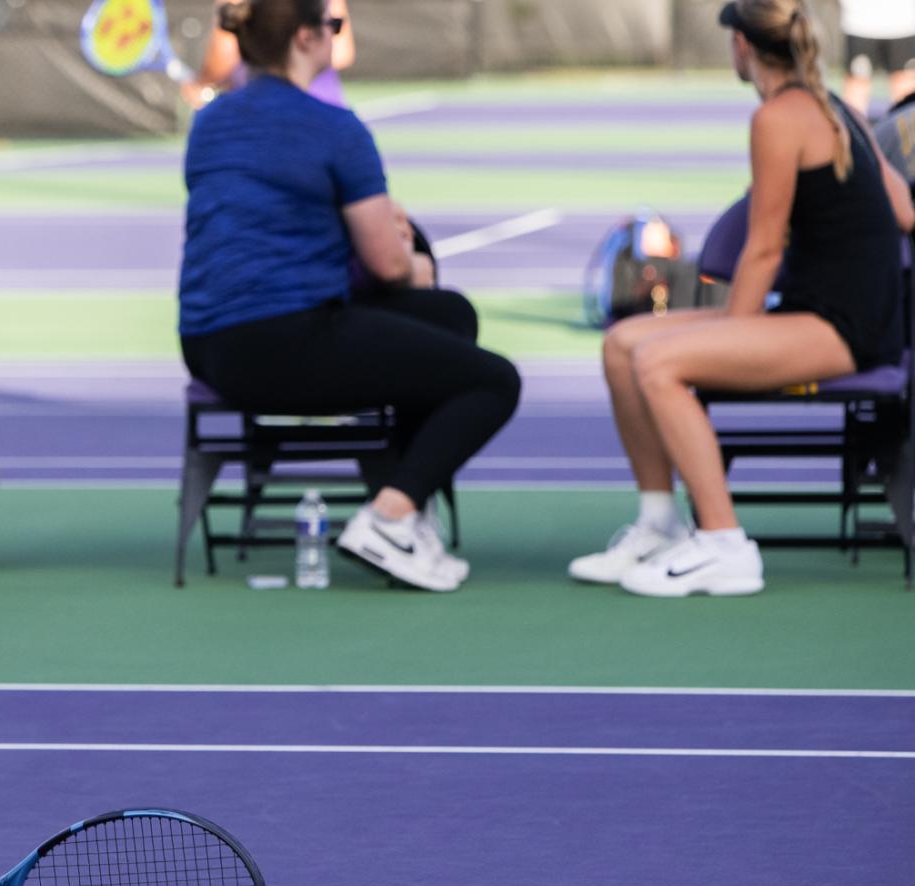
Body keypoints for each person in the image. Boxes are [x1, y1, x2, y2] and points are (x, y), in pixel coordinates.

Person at [177, 0, 520, 593]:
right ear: (306, 38)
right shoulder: (336, 128)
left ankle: (410, 515)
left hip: (208, 346)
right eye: (332, 25)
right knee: (495, 381)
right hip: (287, 343)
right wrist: (416, 265)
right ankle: (389, 518)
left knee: (449, 316)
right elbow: (388, 266)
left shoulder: (210, 124)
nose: (336, 34)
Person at [574, 0, 913, 597]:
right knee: (621, 343)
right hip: (838, 315)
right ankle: (660, 525)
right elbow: (906, 211)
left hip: (843, 328)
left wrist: (731, 332)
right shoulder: (837, 108)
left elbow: (762, 249)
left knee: (657, 362)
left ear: (743, 46)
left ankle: (725, 543)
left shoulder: (778, 118)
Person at [185, 0, 353, 107]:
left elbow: (222, 58)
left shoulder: (212, 123)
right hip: (325, 106)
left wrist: (202, 84)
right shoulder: (344, 127)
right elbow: (342, 53)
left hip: (251, 112)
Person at [840, 0, 915, 115]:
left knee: (904, 85)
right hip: (859, 22)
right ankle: (852, 126)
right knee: (857, 84)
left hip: (903, 23)